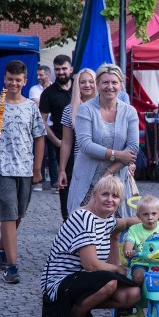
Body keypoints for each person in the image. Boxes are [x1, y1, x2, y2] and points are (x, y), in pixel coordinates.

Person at [40, 175, 141, 317]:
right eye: (105, 194)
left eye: (115, 196)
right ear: (94, 195)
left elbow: (125, 222)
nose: (110, 200)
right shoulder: (84, 218)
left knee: (133, 294)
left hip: (82, 279)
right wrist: (118, 268)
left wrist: (151, 221)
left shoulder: (107, 218)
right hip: (59, 283)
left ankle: (80, 308)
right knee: (110, 281)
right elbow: (91, 266)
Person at [0, 60, 46, 283]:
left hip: (25, 167)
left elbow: (39, 137)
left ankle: (2, 247)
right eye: (10, 79)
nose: (13, 83)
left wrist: (37, 169)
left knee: (19, 215)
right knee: (8, 211)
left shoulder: (31, 107)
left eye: (18, 80)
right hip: (0, 167)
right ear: (4, 79)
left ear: (25, 81)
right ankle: (12, 266)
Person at [67, 64, 138, 221]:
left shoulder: (129, 112)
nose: (110, 87)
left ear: (121, 84)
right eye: (105, 82)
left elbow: (132, 149)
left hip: (117, 181)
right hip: (88, 179)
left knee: (116, 229)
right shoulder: (86, 110)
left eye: (114, 82)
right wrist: (117, 154)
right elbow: (85, 144)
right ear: (97, 84)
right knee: (85, 224)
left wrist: (109, 172)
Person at [57, 68, 96, 221]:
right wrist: (61, 170)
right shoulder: (69, 110)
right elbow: (66, 142)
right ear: (77, 85)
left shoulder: (104, 108)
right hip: (80, 164)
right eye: (83, 82)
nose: (87, 85)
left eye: (91, 81)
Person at [40, 56, 74, 194]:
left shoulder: (80, 86)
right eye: (57, 69)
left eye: (64, 68)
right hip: (62, 143)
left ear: (70, 69)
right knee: (66, 182)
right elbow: (41, 121)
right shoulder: (48, 93)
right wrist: (56, 141)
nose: (61, 72)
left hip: (84, 142)